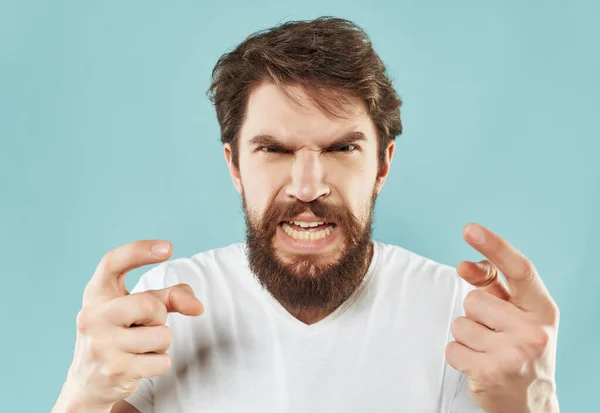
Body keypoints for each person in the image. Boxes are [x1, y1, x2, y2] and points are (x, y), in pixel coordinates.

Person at [52, 16, 560, 413]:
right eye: (274, 150)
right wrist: (82, 395)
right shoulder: (165, 310)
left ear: (383, 165)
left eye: (341, 148)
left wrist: (532, 405)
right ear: (234, 165)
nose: (308, 187)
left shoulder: (462, 319)